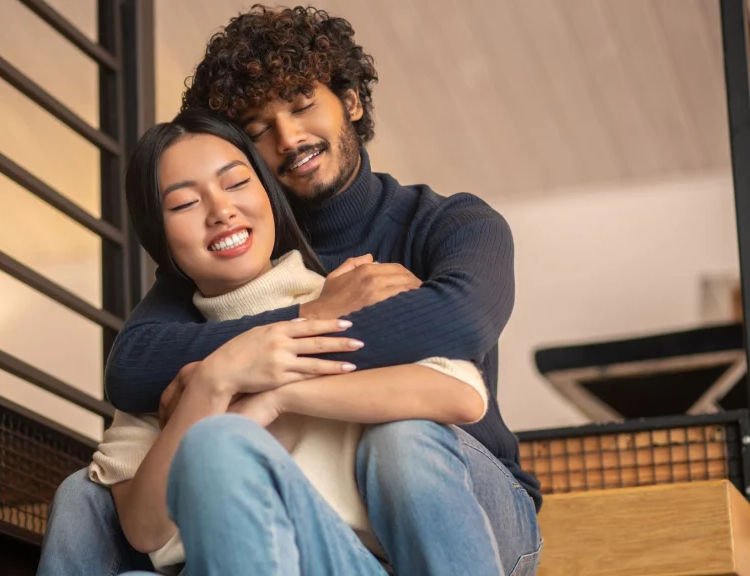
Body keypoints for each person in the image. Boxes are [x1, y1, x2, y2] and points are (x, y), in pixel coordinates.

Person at [38, 5, 541, 576]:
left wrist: (271, 378)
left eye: (303, 104)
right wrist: (274, 337)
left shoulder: (448, 223)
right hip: (300, 516)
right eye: (257, 129)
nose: (289, 136)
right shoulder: (230, 260)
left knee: (398, 441)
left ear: (350, 100)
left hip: (470, 494)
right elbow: (132, 368)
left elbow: (458, 325)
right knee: (85, 495)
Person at [88, 108, 490, 575]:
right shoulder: (168, 357)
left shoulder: (348, 293)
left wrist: (275, 393)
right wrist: (212, 382)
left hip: (345, 560)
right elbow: (144, 530)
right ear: (160, 238)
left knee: (220, 442)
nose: (221, 212)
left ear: (268, 193)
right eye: (184, 205)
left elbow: (462, 395)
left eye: (236, 184)